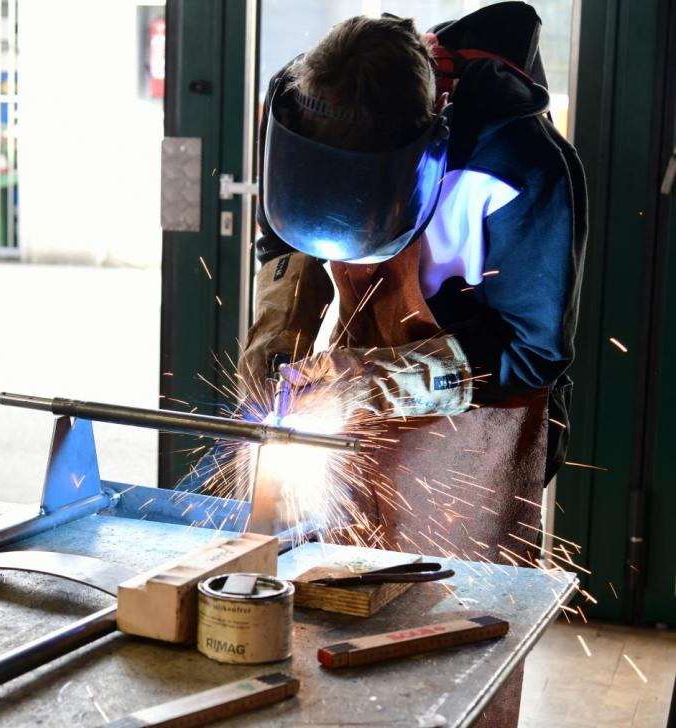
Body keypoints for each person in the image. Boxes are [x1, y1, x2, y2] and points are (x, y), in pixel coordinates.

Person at [240, 5, 587, 725]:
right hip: (364, 387)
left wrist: (381, 381)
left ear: (425, 156)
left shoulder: (520, 168)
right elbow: (285, 244)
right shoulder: (302, 116)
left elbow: (533, 350)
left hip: (480, 419)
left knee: (456, 634)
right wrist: (274, 353)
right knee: (334, 605)